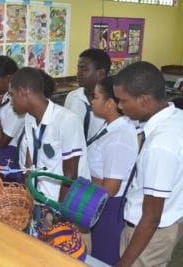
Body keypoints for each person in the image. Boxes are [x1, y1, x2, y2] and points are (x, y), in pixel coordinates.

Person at [113, 61, 183, 267]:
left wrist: (124, 263)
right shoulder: (177, 117)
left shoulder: (160, 145)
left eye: (123, 101)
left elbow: (151, 217)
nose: (119, 106)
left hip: (148, 236)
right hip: (170, 221)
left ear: (144, 100)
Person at [9, 67, 90, 202]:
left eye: (12, 95)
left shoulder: (67, 120)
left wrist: (57, 213)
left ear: (23, 92)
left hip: (62, 203)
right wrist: (28, 199)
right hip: (40, 199)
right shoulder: (30, 118)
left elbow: (70, 176)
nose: (11, 101)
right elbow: (29, 164)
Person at [87, 76, 138, 265]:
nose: (92, 101)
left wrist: (83, 181)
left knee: (104, 258)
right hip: (100, 203)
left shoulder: (119, 137)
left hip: (108, 208)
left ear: (110, 103)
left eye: (96, 97)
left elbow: (111, 187)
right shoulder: (109, 127)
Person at [0, 55, 24, 182]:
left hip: (8, 154)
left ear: (9, 78)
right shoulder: (4, 96)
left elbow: (3, 141)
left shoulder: (18, 102)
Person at [64, 48, 111, 143]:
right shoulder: (73, 97)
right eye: (78, 68)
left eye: (84, 69)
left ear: (101, 73)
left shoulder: (113, 101)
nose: (78, 73)